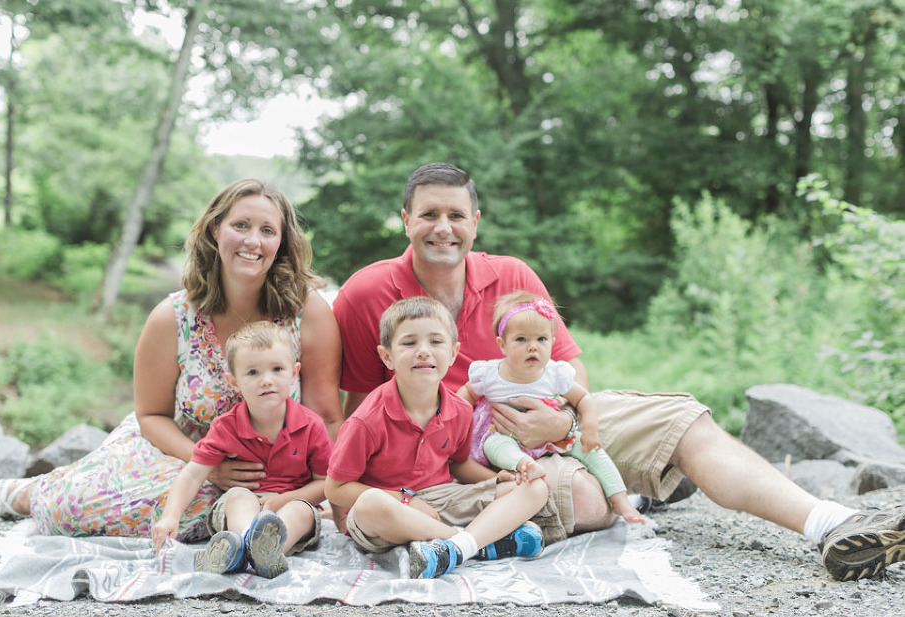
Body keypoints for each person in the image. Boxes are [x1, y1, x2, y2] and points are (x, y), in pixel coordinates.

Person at [332, 162, 905, 582]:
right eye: (428, 214)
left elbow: (571, 364)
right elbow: (358, 404)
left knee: (682, 417)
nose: (442, 227)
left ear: (476, 222)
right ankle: (628, 491)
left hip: (557, 413)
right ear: (405, 220)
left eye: (456, 215)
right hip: (466, 455)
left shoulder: (512, 274)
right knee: (583, 498)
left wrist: (565, 425)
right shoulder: (367, 292)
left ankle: (831, 522)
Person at [0, 178, 344, 543]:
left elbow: (326, 415)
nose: (252, 241)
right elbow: (151, 415)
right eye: (241, 225)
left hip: (274, 468)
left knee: (255, 511)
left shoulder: (307, 311)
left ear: (281, 242)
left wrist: (318, 489)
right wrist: (209, 467)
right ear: (216, 229)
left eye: (267, 230)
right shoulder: (173, 316)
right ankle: (32, 493)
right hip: (179, 450)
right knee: (70, 510)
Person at [324, 297, 548, 579]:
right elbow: (335, 488)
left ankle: (453, 548)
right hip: (389, 510)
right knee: (370, 504)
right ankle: (472, 543)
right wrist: (405, 499)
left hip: (441, 499)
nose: (423, 352)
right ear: (387, 356)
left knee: (534, 488)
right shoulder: (367, 419)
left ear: (453, 353)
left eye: (436, 342)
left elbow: (457, 464)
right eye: (409, 343)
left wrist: (492, 480)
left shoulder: (460, 410)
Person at [151, 322, 330, 578]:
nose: (266, 380)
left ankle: (253, 552)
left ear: (294, 373)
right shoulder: (227, 427)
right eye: (253, 372)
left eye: (277, 369)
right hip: (245, 507)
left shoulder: (310, 425)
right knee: (237, 497)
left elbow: (326, 483)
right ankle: (251, 546)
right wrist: (170, 516)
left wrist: (282, 500)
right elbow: (193, 474)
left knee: (301, 510)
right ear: (234, 382)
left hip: (291, 504)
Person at [456, 290, 643, 524]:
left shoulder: (554, 374)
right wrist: (457, 417)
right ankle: (525, 465)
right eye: (521, 340)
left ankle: (620, 499)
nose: (532, 347)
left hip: (550, 436)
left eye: (541, 339)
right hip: (504, 433)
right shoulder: (490, 373)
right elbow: (466, 394)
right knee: (495, 445)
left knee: (593, 452)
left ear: (553, 342)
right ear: (502, 345)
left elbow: (583, 398)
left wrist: (590, 430)